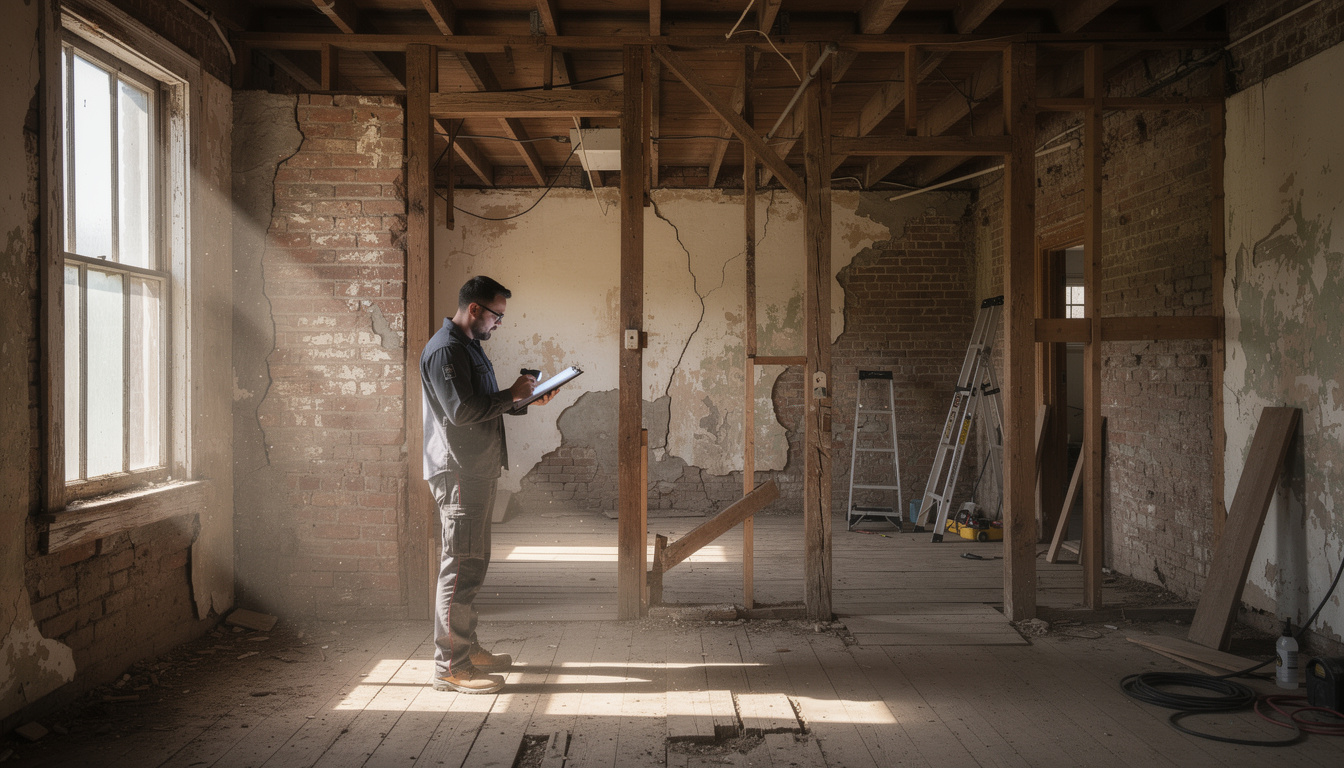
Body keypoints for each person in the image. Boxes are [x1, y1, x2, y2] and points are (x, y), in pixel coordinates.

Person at [421, 276, 555, 693]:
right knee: (459, 568)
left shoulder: (468, 347)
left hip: (476, 468)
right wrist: (510, 395)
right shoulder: (446, 350)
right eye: (497, 315)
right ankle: (450, 667)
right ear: (475, 309)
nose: (499, 323)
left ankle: (467, 648)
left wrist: (522, 400)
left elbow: (480, 404)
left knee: (472, 566)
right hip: (458, 471)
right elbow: (461, 412)